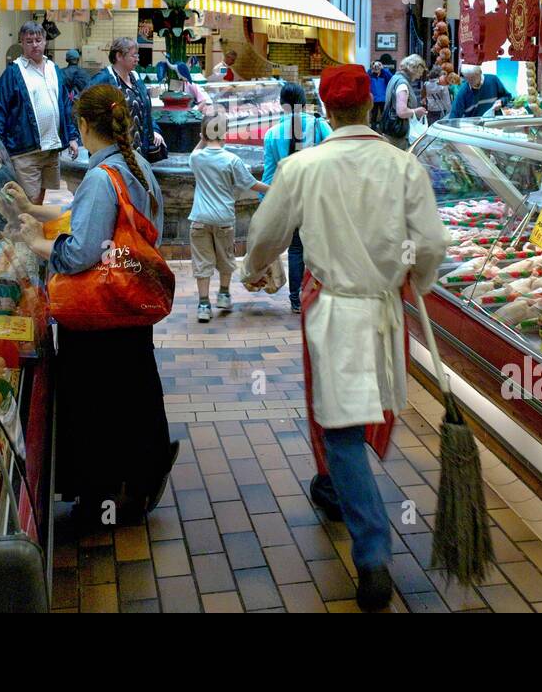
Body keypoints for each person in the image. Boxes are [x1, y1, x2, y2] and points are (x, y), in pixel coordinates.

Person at [240, 65, 448, 611]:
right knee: (362, 417)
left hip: (333, 313)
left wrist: (252, 269)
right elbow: (430, 245)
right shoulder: (404, 167)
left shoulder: (303, 166)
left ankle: (374, 554)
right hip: (385, 313)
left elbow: (265, 233)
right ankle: (344, 501)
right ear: (373, 109)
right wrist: (413, 280)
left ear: (326, 111)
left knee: (341, 430)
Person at [12, 84, 176, 527]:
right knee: (135, 391)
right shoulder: (138, 165)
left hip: (97, 313)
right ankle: (142, 478)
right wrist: (40, 213)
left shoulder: (103, 177)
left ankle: (100, 500)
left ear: (84, 125)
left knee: (97, 405)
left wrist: (36, 242)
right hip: (129, 303)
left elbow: (83, 250)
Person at [189, 105, 268, 322]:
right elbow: (251, 184)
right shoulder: (232, 160)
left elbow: (196, 151)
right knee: (226, 259)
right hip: (224, 219)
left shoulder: (196, 159)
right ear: (224, 133)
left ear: (204, 135)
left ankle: (204, 306)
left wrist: (202, 138)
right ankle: (223, 295)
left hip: (199, 219)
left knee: (202, 263)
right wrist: (273, 189)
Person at [0, 21, 79, 203]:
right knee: (27, 201)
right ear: (21, 43)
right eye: (29, 41)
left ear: (45, 41)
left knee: (41, 198)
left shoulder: (54, 69)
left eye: (38, 40)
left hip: (51, 147)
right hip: (24, 150)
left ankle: (35, 229)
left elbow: (65, 105)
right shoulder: (13, 73)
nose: (34, 44)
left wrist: (71, 137)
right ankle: (25, 229)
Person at [262, 81, 333, 313]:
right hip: (317, 197)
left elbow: (269, 174)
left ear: (281, 105)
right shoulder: (318, 125)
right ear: (304, 104)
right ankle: (318, 295)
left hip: (290, 201)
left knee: (295, 250)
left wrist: (266, 208)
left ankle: (295, 300)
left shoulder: (272, 134)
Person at [87, 37, 166, 159]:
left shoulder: (136, 78)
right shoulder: (103, 79)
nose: (137, 59)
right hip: (113, 154)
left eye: (137, 55)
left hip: (139, 152)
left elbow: (145, 110)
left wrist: (153, 130)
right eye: (133, 55)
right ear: (119, 56)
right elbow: (81, 106)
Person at [379, 53, 428, 149]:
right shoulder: (403, 84)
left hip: (390, 130)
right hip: (398, 134)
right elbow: (401, 112)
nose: (420, 75)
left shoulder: (395, 78)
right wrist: (416, 111)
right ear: (414, 69)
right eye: (420, 72)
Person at [59, 49, 89, 117]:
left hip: (64, 110)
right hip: (79, 109)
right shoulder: (84, 73)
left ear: (66, 60)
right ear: (78, 59)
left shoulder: (60, 73)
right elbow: (89, 90)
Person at [368, 61, 390, 131]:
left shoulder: (384, 74)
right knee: (373, 115)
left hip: (383, 99)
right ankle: (373, 128)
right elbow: (366, 78)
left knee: (384, 114)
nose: (376, 67)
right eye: (375, 65)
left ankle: (384, 128)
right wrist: (371, 69)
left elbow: (391, 78)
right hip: (374, 99)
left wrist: (383, 69)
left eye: (378, 65)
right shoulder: (370, 74)